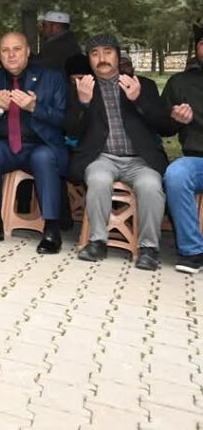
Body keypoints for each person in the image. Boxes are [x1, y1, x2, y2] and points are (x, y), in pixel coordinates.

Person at [67, 34, 177, 271]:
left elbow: (164, 126)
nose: (102, 58)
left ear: (118, 56)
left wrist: (139, 100)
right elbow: (71, 130)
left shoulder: (143, 85)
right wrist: (83, 103)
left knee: (150, 186)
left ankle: (149, 248)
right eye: (95, 54)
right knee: (98, 180)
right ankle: (97, 242)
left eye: (107, 52)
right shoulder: (82, 87)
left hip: (140, 160)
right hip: (102, 158)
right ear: (89, 60)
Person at [0, 34, 68, 254]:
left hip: (40, 145)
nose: (11, 55)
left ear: (28, 51)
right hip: (3, 146)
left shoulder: (52, 78)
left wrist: (35, 108)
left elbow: (66, 121)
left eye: (17, 49)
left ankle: (52, 230)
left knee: (44, 157)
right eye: (5, 50)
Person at [161, 29, 203, 274]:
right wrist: (175, 119)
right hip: (197, 161)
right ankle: (193, 251)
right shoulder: (180, 83)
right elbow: (162, 128)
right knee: (176, 174)